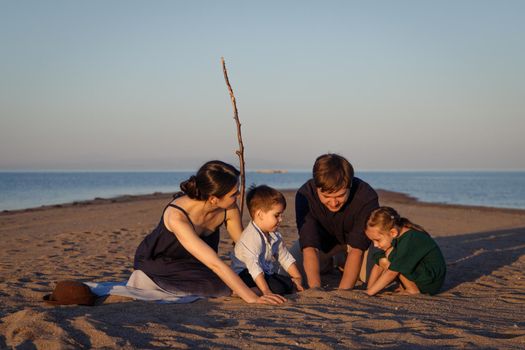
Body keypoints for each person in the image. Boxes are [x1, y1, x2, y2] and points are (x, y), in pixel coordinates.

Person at [133, 160, 285, 305]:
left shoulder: (229, 208)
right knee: (221, 285)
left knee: (261, 283)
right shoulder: (177, 217)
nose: (238, 196)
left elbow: (244, 247)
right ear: (213, 199)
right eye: (233, 194)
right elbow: (215, 264)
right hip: (160, 261)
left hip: (196, 265)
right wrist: (252, 298)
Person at [294, 153, 379, 290]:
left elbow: (357, 250)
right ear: (317, 188)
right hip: (321, 246)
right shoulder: (305, 195)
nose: (333, 203)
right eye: (327, 196)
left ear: (349, 185)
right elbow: (309, 247)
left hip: (357, 247)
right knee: (290, 270)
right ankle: (332, 261)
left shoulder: (366, 196)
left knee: (372, 276)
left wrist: (343, 293)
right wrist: (315, 289)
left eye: (340, 196)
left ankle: (342, 262)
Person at [231, 185, 304, 296]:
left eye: (281, 215)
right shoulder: (251, 237)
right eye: (277, 215)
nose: (280, 219)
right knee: (278, 288)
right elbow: (253, 266)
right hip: (245, 273)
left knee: (288, 283)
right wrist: (266, 291)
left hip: (264, 273)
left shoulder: (274, 234)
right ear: (260, 214)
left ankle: (261, 289)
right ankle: (244, 291)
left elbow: (284, 256)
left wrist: (297, 277)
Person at [365, 206, 446, 296]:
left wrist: (368, 293)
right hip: (421, 273)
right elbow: (378, 264)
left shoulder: (410, 238)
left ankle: (412, 289)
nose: (375, 245)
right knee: (381, 258)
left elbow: (392, 273)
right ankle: (372, 288)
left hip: (430, 282)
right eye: (372, 241)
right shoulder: (398, 235)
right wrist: (369, 289)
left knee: (389, 259)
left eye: (377, 240)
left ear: (393, 232)